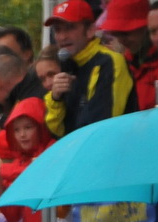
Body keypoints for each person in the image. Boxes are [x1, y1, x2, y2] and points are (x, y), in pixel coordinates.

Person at [42, 0, 136, 137]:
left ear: (91, 30)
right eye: (57, 30)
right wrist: (56, 99)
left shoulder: (109, 62)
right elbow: (58, 132)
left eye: (70, 27)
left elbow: (103, 126)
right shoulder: (68, 64)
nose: (62, 37)